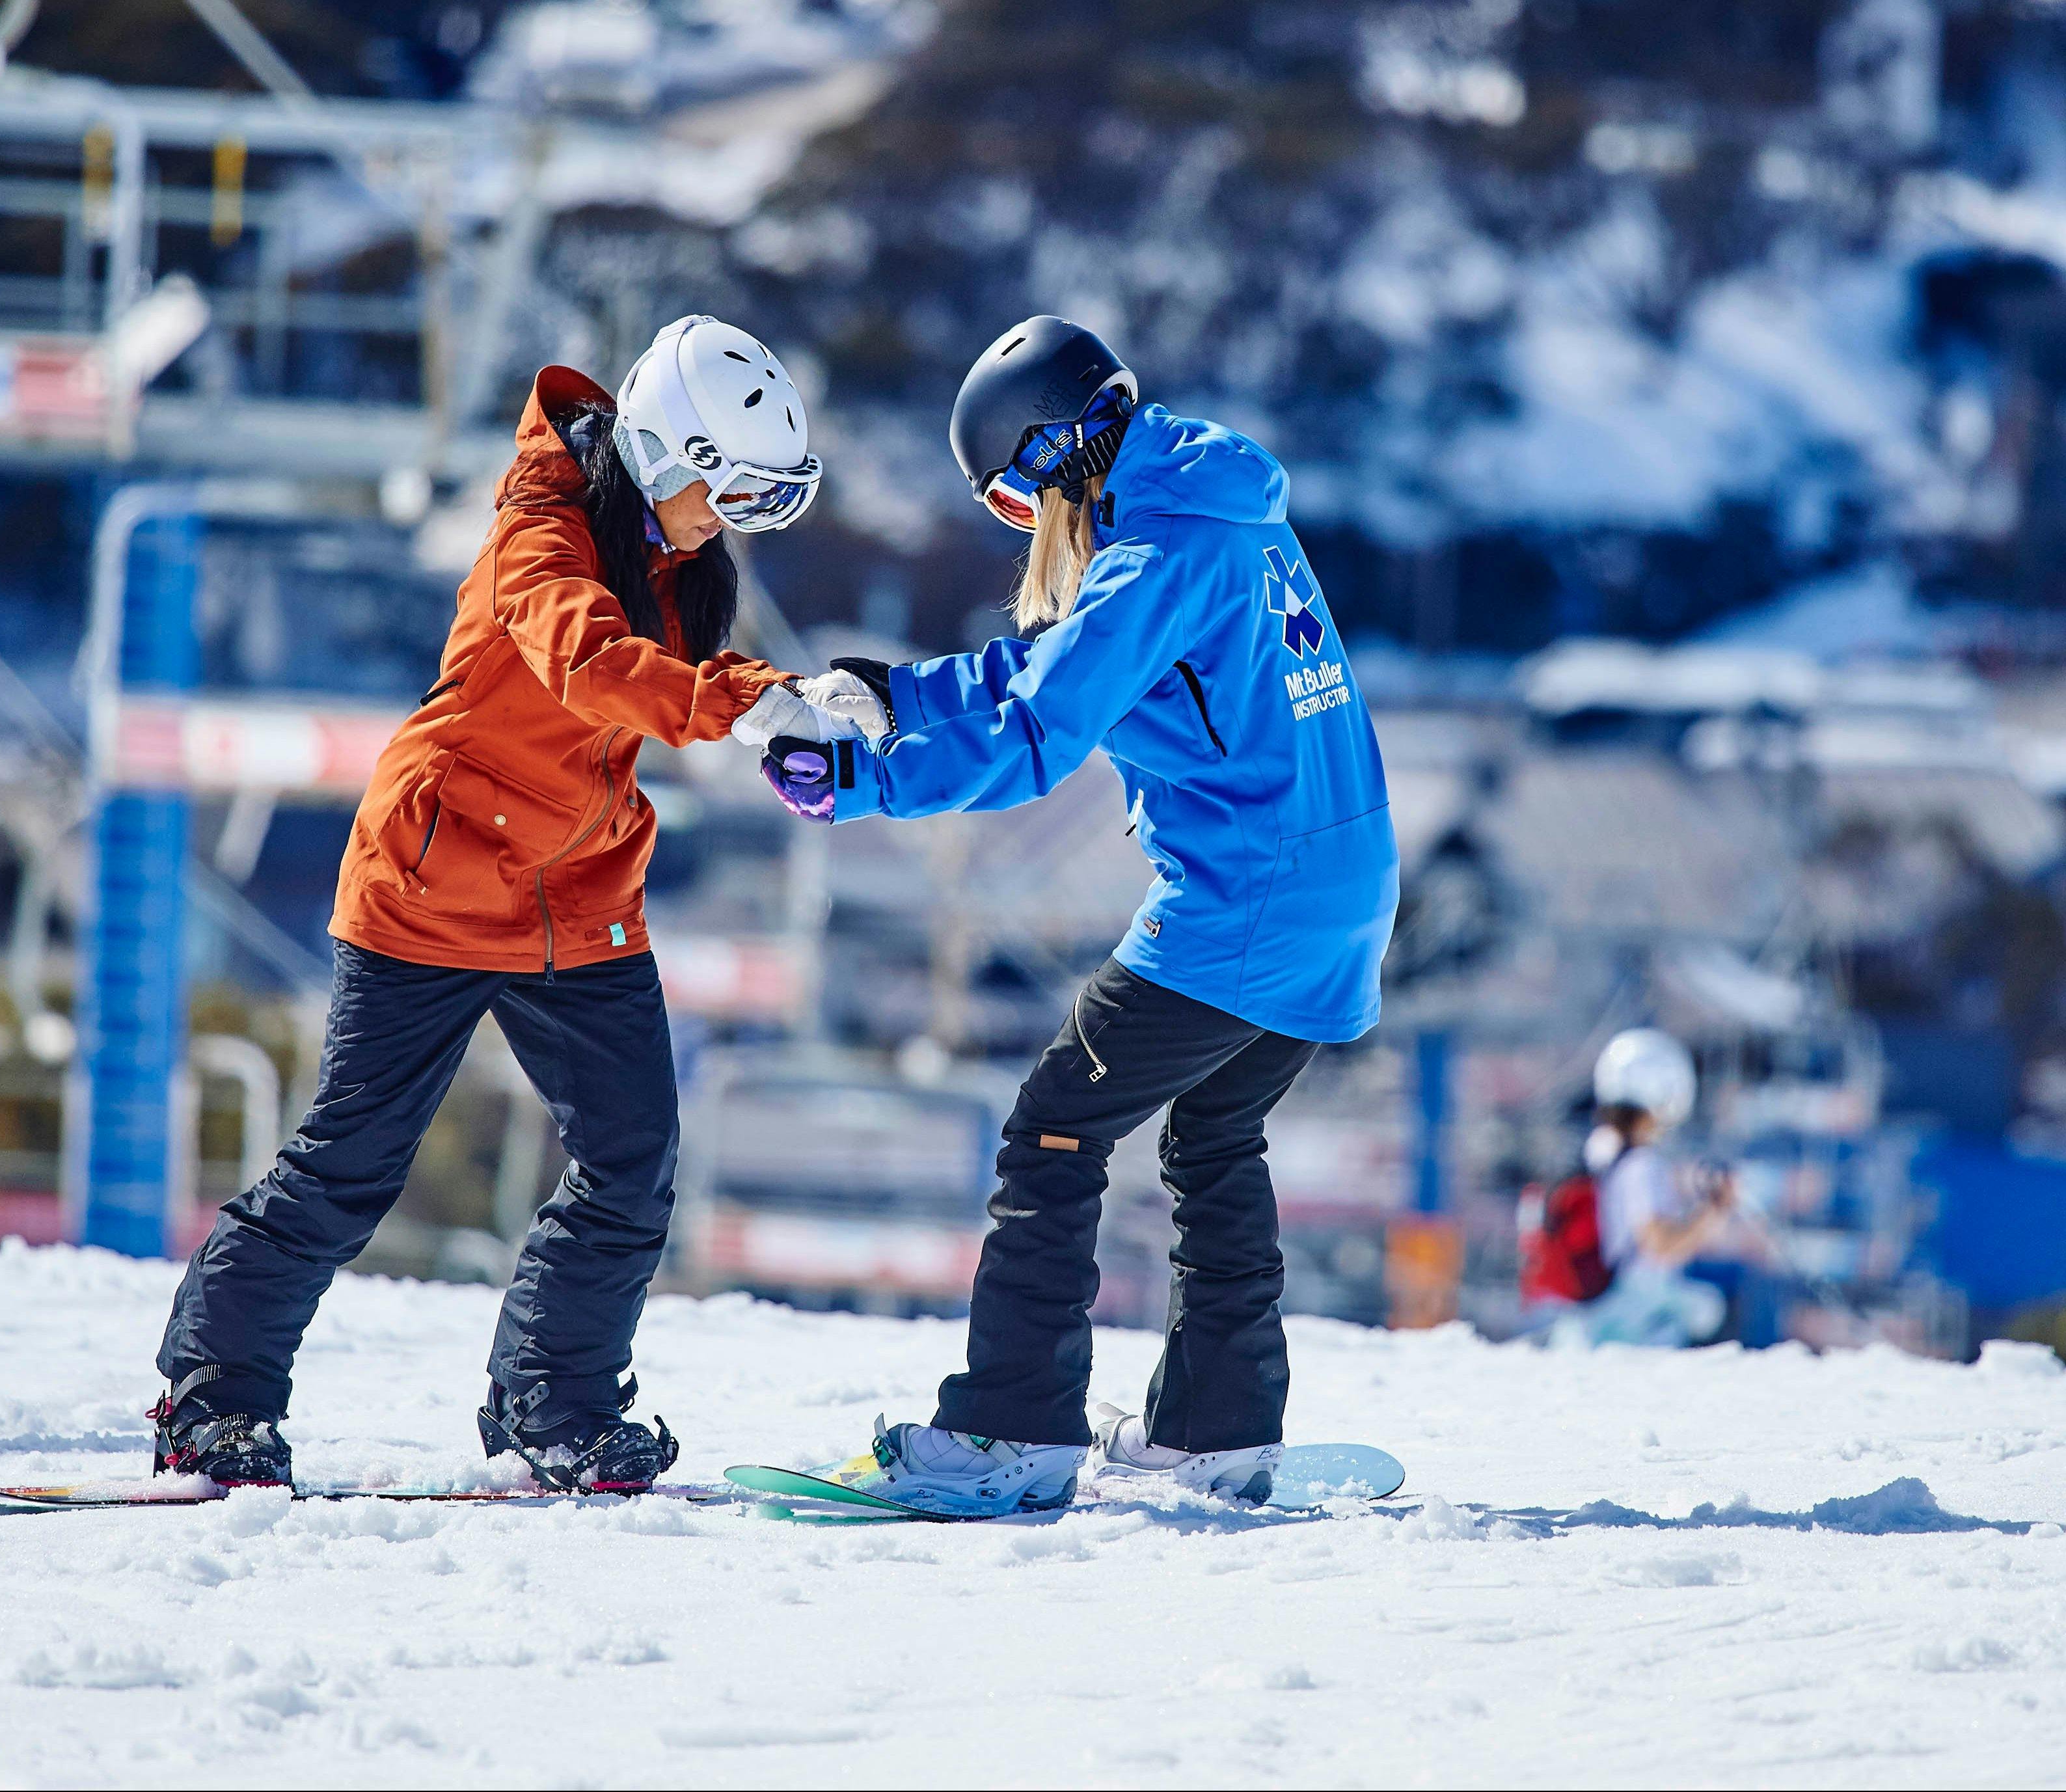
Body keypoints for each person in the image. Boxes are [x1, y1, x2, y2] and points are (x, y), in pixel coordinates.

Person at [150, 317, 850, 1493]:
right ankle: (213, 1402)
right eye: (729, 490)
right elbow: (585, 661)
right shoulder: (539, 534)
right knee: (351, 1162)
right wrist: (743, 704)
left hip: (576, 895)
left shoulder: (680, 563)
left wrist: (798, 721)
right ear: (670, 457)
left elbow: (645, 707)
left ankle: (554, 1405)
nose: (729, 520)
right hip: (432, 884)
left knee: (633, 1155)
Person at [753, 315, 1399, 1515]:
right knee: (1211, 1137)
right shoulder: (1216, 509)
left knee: (1051, 1129)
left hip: (1245, 900)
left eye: (1009, 500)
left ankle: (1010, 1426)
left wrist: (864, 779)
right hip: (1339, 890)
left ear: (1055, 456)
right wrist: (892, 694)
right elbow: (1042, 673)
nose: (1021, 526)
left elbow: (1041, 733)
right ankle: (1213, 1430)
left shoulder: (1155, 556)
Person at [1547, 1027, 1737, 1348]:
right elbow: (1658, 1245)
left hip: (1598, 1313)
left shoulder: (1601, 1151)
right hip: (1636, 1322)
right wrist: (1714, 1211)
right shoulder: (1641, 1165)